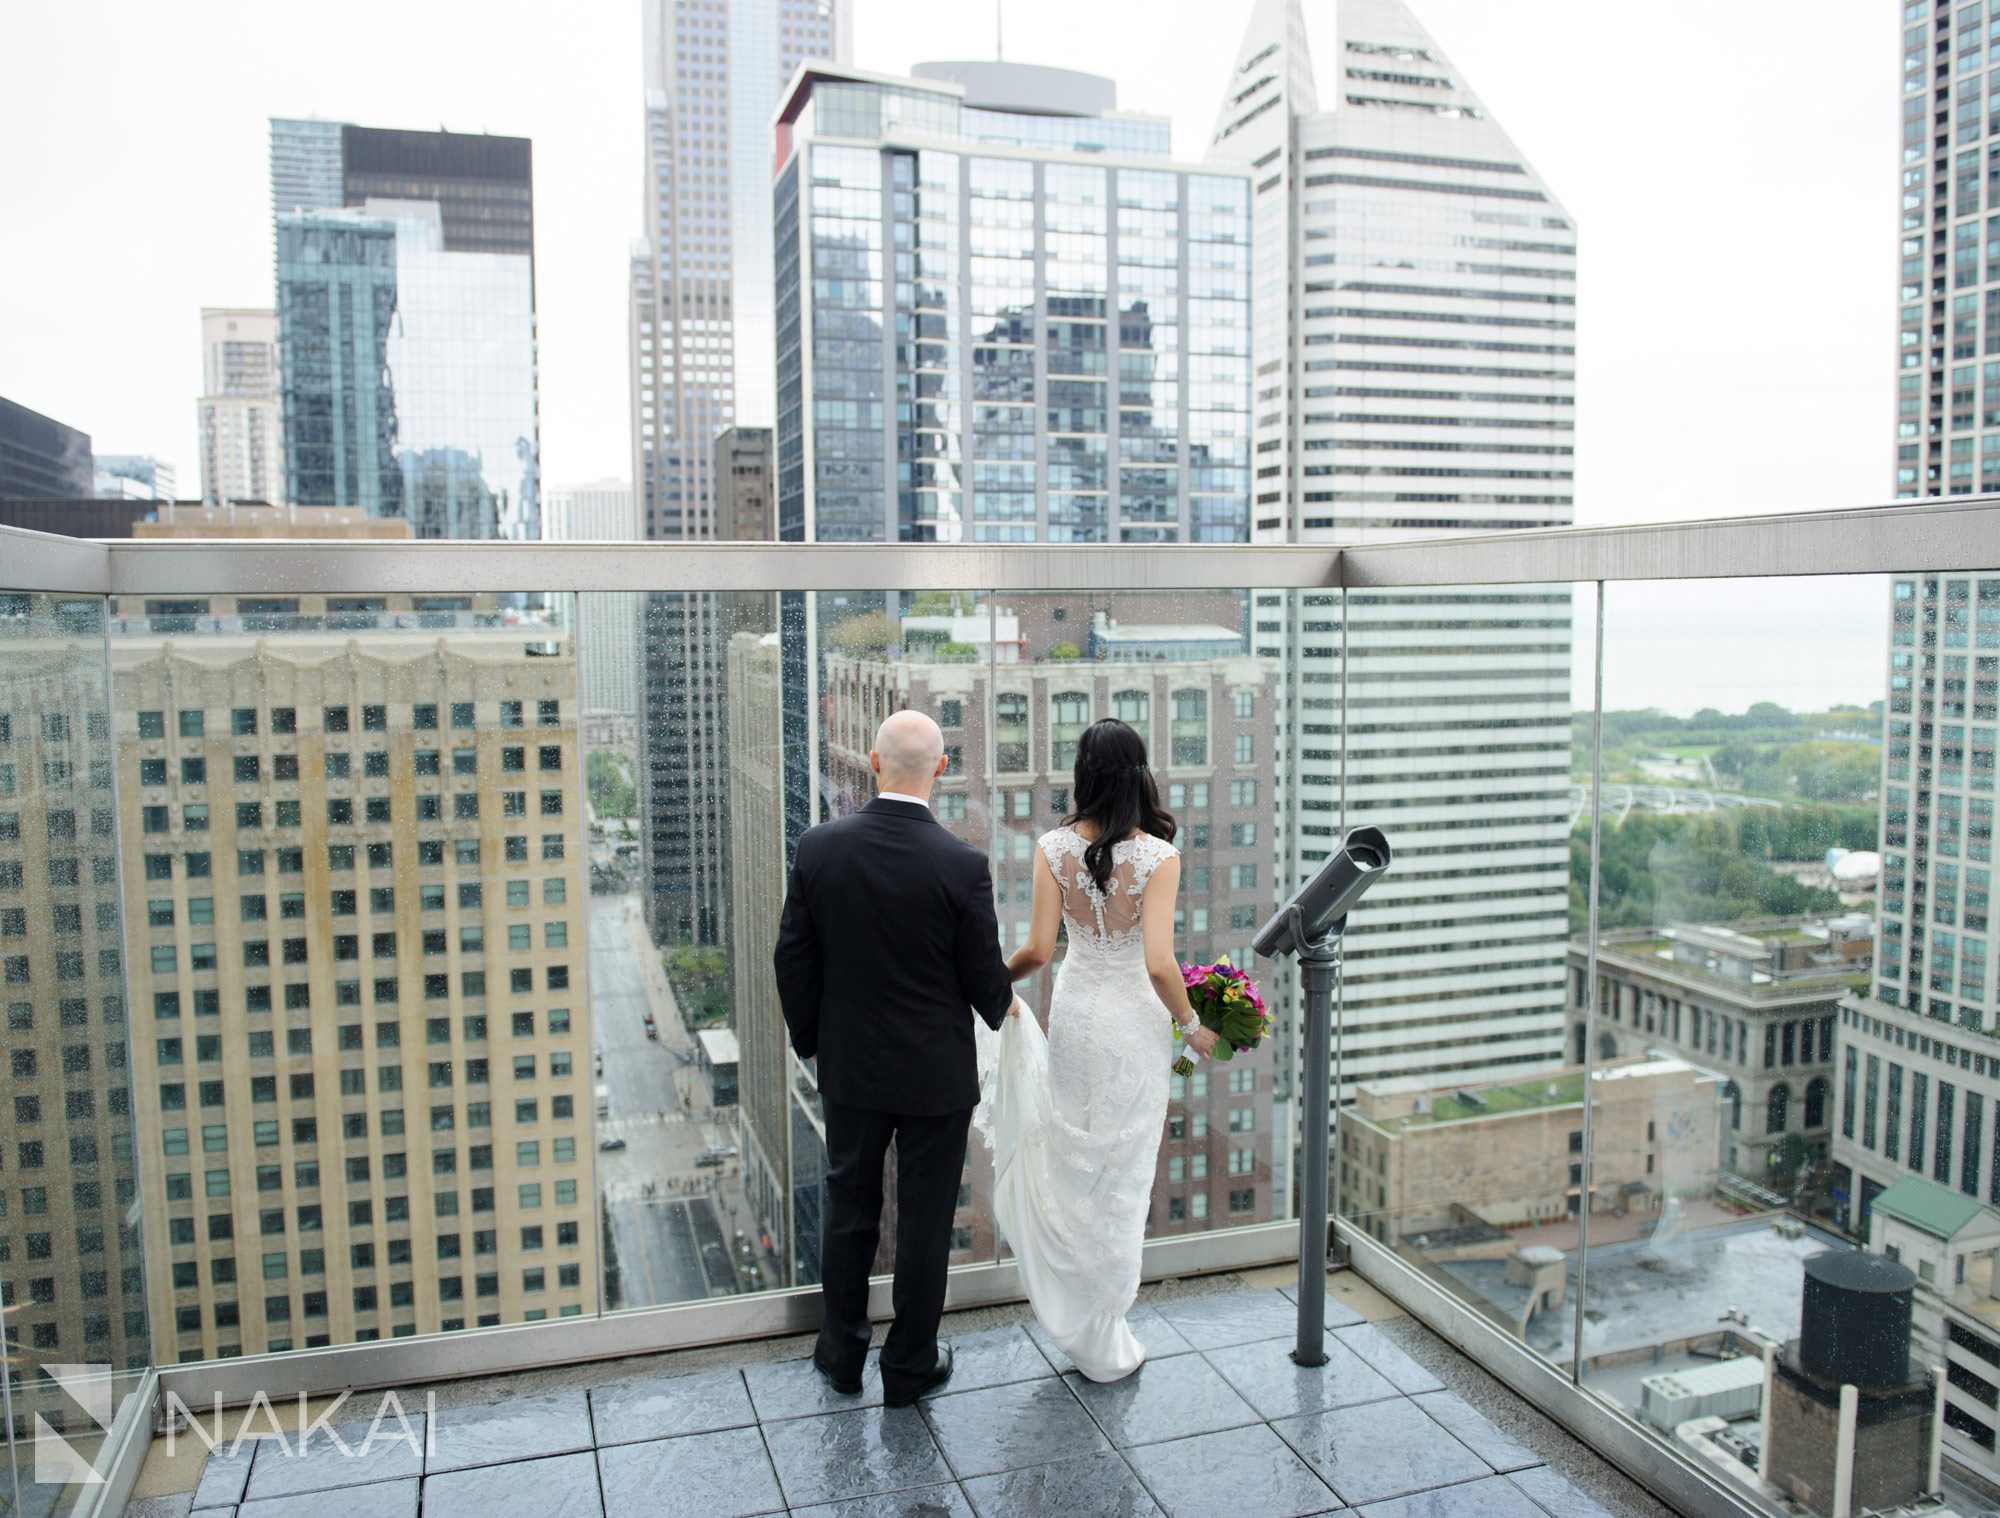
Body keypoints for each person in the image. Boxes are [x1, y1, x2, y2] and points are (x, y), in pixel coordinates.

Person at [774, 709, 1014, 1406]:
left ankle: (841, 1355)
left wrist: (810, 1039)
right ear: (941, 769)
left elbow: (793, 958)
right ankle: (908, 1365)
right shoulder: (962, 865)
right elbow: (984, 987)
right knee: (926, 1218)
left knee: (850, 1207)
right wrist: (1010, 1002)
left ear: (874, 765)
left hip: (850, 1067)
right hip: (936, 1075)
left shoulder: (820, 848)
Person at [982, 716, 1218, 1382]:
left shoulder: (1053, 847)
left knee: (1075, 1162)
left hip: (1077, 1017)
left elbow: (1035, 951)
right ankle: (1104, 1329)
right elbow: (1160, 964)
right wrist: (1193, 1024)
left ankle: (1078, 1311)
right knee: (1122, 1172)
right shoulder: (1157, 858)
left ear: (1082, 775)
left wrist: (981, 982)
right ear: (1141, 775)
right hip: (1133, 1026)